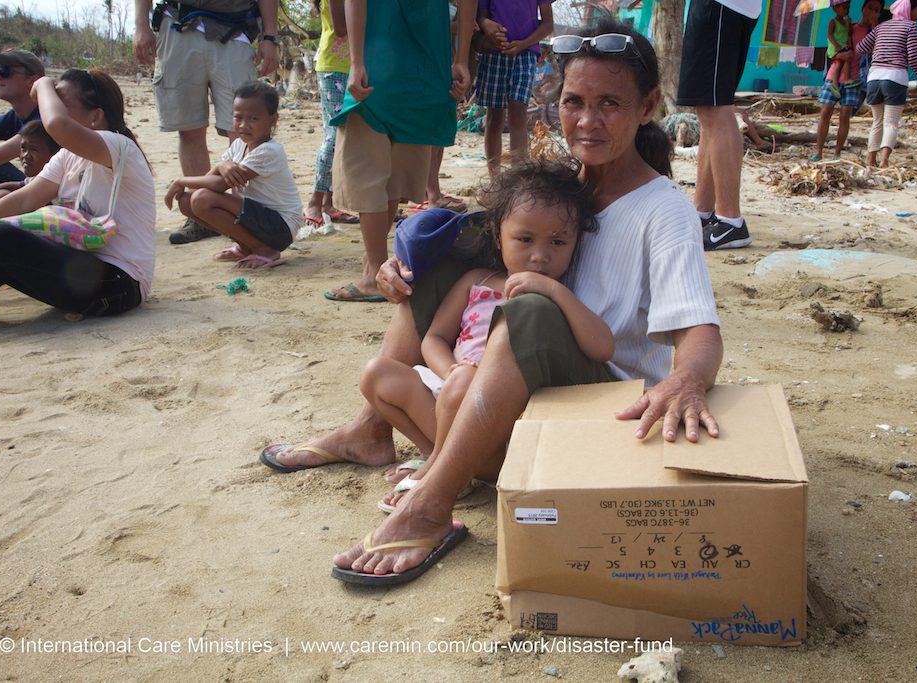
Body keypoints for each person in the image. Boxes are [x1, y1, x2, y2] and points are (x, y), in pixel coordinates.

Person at [262, 21, 723, 585]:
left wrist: (689, 379)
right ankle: (369, 429)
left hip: (594, 404)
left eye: (610, 104)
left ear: (648, 107)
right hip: (516, 392)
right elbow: (478, 254)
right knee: (446, 253)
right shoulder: (566, 191)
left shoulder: (663, 210)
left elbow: (699, 329)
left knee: (528, 309)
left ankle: (432, 504)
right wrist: (397, 268)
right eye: (574, 102)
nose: (588, 120)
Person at [357, 161, 612, 513]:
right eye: (525, 240)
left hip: (498, 416)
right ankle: (439, 455)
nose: (540, 256)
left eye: (558, 242)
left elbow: (603, 347)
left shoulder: (560, 295)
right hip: (453, 385)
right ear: (497, 234)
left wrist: (556, 292)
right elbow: (434, 338)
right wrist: (451, 371)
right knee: (376, 374)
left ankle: (438, 471)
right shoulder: (476, 281)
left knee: (464, 386)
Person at [322, 0, 475, 303]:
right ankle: (377, 264)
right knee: (393, 172)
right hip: (427, 70)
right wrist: (461, 59)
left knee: (367, 171)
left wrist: (356, 62)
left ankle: (374, 275)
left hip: (378, 65)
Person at [0, 69, 155, 320]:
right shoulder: (67, 157)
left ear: (95, 117)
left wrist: (43, 84)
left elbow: (56, 125)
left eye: (62, 102)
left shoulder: (119, 146)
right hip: (82, 269)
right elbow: (23, 199)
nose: (53, 106)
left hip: (120, 283)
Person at [133, 0, 279, 244]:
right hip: (178, 22)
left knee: (244, 132)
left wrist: (270, 36)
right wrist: (141, 24)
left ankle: (246, 219)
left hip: (235, 27)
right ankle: (203, 219)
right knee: (189, 128)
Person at [165, 80, 303, 269]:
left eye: (253, 119)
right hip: (257, 218)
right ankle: (245, 246)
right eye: (238, 117)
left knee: (202, 199)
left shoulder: (269, 151)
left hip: (280, 227)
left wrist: (181, 181)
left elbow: (219, 185)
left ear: (273, 120)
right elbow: (211, 178)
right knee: (186, 201)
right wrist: (221, 165)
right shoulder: (239, 145)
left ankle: (264, 249)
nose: (244, 125)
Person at [676, 0, 759, 250]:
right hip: (723, 8)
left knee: (716, 109)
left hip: (721, 7)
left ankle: (730, 221)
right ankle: (702, 214)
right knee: (709, 110)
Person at [475, 0, 555, 178]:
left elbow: (548, 24)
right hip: (494, 53)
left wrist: (523, 44)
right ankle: (495, 179)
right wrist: (486, 25)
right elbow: (480, 17)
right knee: (494, 117)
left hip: (525, 54)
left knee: (518, 114)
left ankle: (519, 178)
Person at [304, 0, 359, 229]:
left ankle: (328, 203)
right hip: (335, 66)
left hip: (348, 66)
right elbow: (341, 28)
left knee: (342, 136)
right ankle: (315, 202)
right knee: (335, 135)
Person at [855, 0, 917, 167]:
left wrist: (881, 49)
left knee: (877, 121)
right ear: (909, 9)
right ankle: (884, 161)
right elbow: (914, 57)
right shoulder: (911, 26)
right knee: (890, 123)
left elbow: (860, 48)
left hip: (874, 78)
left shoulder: (882, 26)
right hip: (895, 78)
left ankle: (870, 160)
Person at [813, 0, 882, 161]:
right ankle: (818, 152)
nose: (872, 12)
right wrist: (841, 55)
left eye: (876, 10)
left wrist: (875, 26)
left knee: (845, 115)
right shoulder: (849, 27)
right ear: (863, 8)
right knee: (825, 112)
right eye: (869, 7)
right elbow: (832, 49)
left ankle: (837, 154)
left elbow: (878, 49)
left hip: (855, 79)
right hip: (834, 76)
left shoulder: (875, 33)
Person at [0, 49, 44, 201]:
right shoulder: (14, 116)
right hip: (36, 189)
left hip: (55, 199)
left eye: (5, 70)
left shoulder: (42, 118)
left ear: (32, 81)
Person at [0, 121, 60, 214]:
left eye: (34, 149)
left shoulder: (57, 180)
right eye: (23, 148)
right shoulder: (34, 179)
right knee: (0, 194)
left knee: (2, 196)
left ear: (55, 154)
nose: (26, 155)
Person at [825, 0, 854, 99]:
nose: (847, 10)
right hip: (835, 48)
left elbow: (850, 33)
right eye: (844, 8)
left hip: (843, 47)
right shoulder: (833, 22)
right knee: (838, 63)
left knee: (847, 60)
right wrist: (836, 45)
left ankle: (846, 79)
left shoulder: (846, 22)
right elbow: (829, 35)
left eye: (848, 8)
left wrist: (849, 25)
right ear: (835, 9)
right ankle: (834, 83)